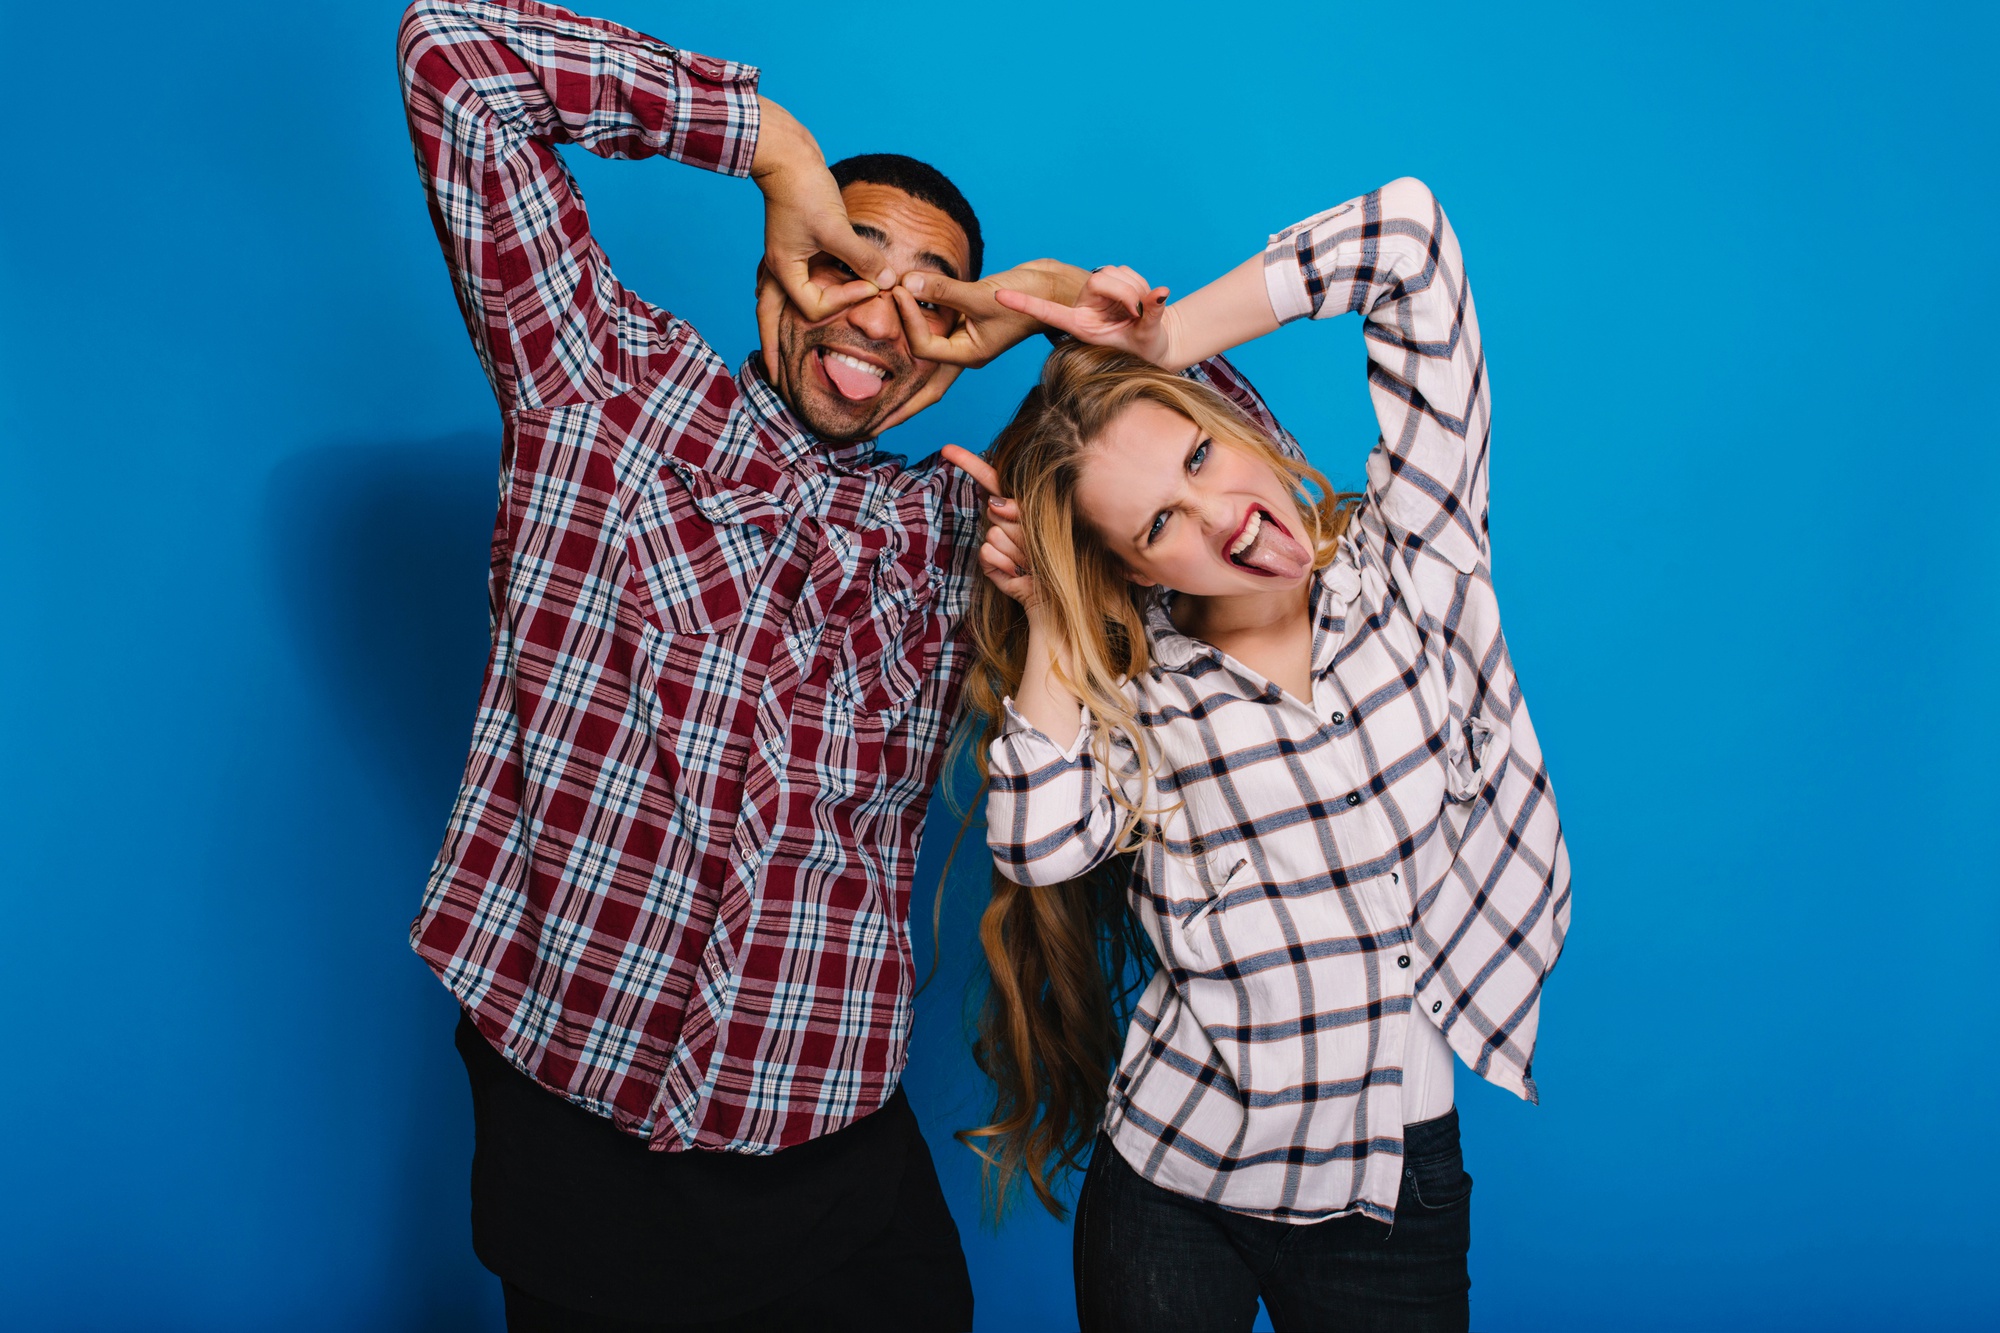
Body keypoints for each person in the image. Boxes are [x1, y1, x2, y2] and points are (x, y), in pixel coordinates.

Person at [392, 1, 1154, 1327]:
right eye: (848, 263)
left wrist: (1051, 328)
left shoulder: (960, 532)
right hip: (575, 1114)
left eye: (930, 301)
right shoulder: (606, 393)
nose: (880, 318)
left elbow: (1207, 473)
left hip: (824, 1135)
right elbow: (453, 60)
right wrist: (773, 150)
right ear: (778, 267)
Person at [946, 177, 1570, 1332]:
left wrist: (1166, 335)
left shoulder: (1412, 565)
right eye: (1157, 527)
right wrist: (1045, 619)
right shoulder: (1142, 698)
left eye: (1193, 461)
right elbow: (1036, 842)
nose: (1218, 515)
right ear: (1139, 573)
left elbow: (1406, 233)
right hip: (1172, 1187)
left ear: (1228, 425)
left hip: (1388, 1186)